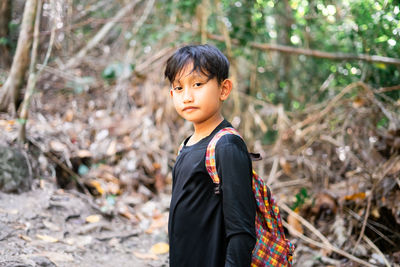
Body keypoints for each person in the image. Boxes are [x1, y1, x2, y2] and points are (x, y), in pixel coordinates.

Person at [165, 44, 256, 267]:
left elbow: (241, 231)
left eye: (197, 84)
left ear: (223, 89)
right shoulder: (186, 145)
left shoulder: (226, 146)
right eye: (178, 88)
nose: (187, 96)